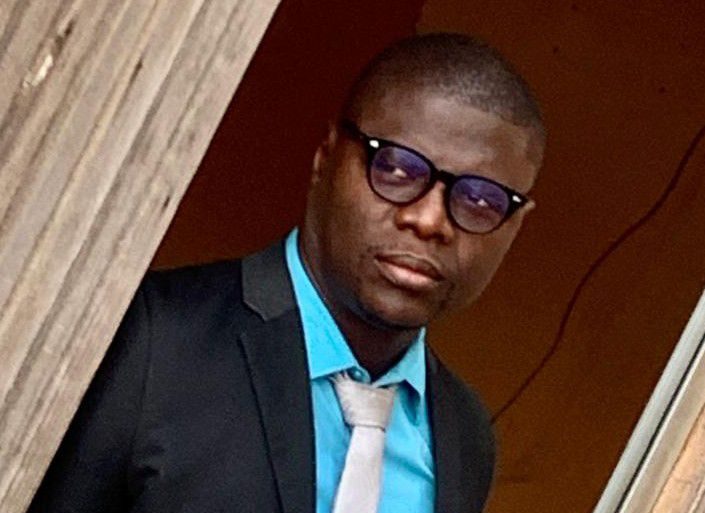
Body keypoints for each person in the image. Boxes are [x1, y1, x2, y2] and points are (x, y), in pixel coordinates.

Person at [29, 32, 545, 513]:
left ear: (516, 225)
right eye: (395, 168)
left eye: (481, 200)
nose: (429, 220)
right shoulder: (149, 340)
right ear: (326, 157)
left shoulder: (464, 435)